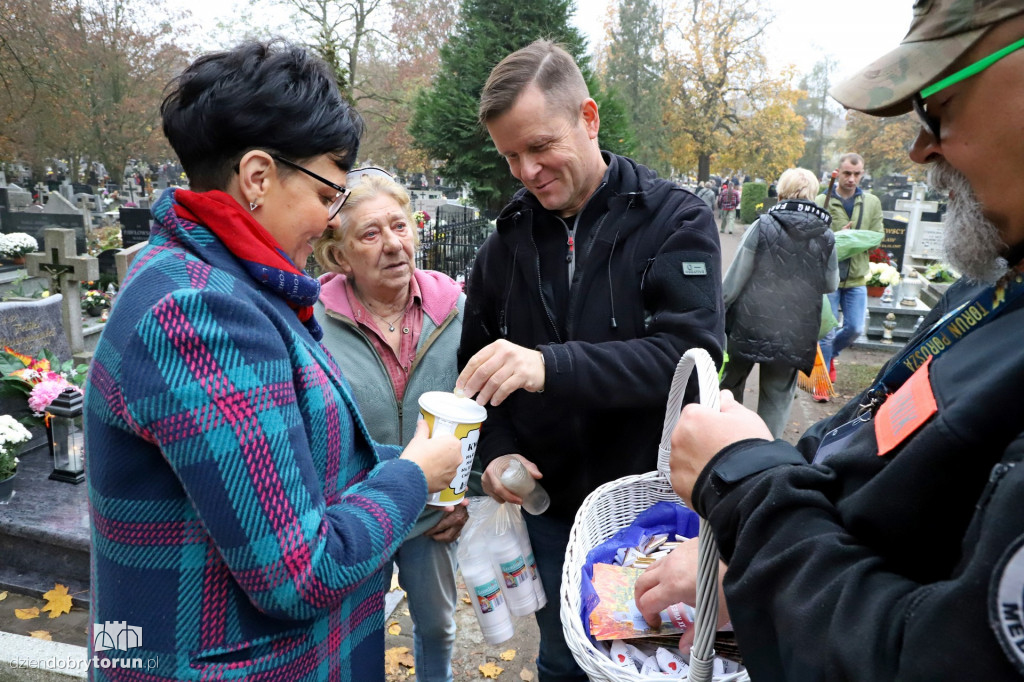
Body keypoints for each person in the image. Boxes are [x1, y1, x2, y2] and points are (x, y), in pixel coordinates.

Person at [637, 2, 1024, 679]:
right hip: (789, 339)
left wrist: (749, 485)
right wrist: (763, 562)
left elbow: (927, 659)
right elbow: (883, 453)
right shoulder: (996, 289)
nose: (920, 148)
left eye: (939, 105)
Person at [83, 41, 461, 681]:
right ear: (258, 177)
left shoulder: (228, 283)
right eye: (329, 195)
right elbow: (298, 575)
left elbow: (292, 469)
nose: (330, 220)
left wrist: (403, 462)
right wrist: (412, 477)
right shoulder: (199, 313)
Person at [456, 39, 723, 681]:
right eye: (511, 156)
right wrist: (494, 453)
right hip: (556, 515)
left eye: (540, 147)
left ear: (589, 117)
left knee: (654, 662)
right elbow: (477, 372)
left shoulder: (674, 221)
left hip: (650, 511)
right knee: (564, 659)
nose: (525, 170)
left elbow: (686, 361)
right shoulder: (506, 245)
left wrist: (552, 365)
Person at [313, 170, 472, 682]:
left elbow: (484, 403)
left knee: (438, 628)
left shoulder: (457, 311)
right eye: (370, 234)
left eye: (399, 227)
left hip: (432, 513)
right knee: (359, 631)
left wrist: (468, 489)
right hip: (358, 512)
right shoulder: (310, 321)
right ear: (340, 256)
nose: (392, 245)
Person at [719, 167, 838, 437]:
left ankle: (728, 443)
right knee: (777, 398)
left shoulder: (762, 226)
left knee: (730, 386)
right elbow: (830, 284)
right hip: (793, 329)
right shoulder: (826, 235)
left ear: (781, 191)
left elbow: (733, 282)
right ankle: (765, 452)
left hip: (748, 323)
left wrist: (718, 310)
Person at [815, 152, 884, 381]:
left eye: (856, 174)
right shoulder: (821, 201)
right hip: (828, 278)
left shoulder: (871, 203)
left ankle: (831, 354)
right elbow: (813, 238)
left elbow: (877, 236)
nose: (851, 179)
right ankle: (822, 380)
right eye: (847, 173)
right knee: (825, 332)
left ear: (862, 174)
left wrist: (851, 240)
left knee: (855, 328)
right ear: (839, 172)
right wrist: (836, 237)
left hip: (856, 277)